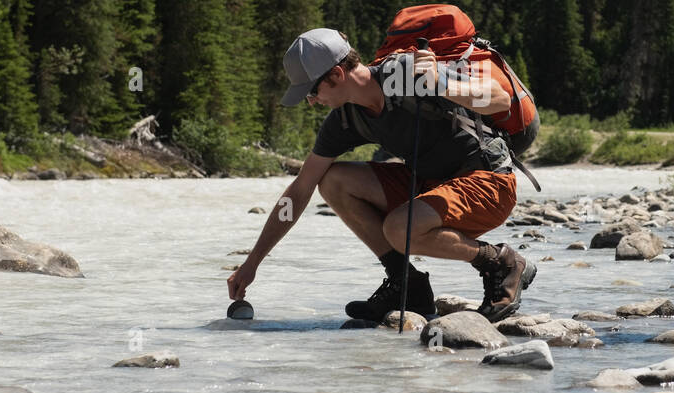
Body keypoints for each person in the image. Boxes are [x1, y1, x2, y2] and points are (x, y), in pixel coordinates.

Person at [225, 28, 536, 323]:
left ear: (336, 74)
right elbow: (300, 190)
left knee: (400, 228)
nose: (311, 101)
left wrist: (441, 84)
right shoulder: (345, 120)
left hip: (487, 181)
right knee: (333, 181)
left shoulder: (403, 74)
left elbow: (498, 99)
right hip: (433, 184)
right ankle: (407, 285)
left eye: (312, 91)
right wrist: (253, 263)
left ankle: (501, 262)